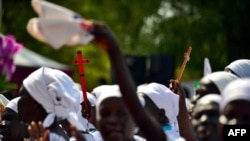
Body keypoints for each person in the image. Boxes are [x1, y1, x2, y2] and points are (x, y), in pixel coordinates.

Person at [17, 66, 87, 141]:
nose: (18, 102)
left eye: (21, 96)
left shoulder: (53, 138)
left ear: (36, 102)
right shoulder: (42, 136)